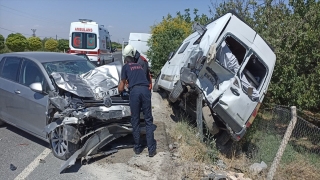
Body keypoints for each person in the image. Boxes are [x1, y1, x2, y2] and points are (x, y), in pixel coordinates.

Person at [118, 56, 157, 157]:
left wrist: (120, 89)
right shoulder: (139, 66)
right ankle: (151, 150)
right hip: (146, 91)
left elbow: (121, 87)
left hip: (135, 92)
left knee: (135, 120)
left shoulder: (125, 67)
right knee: (148, 120)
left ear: (126, 62)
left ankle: (138, 147)